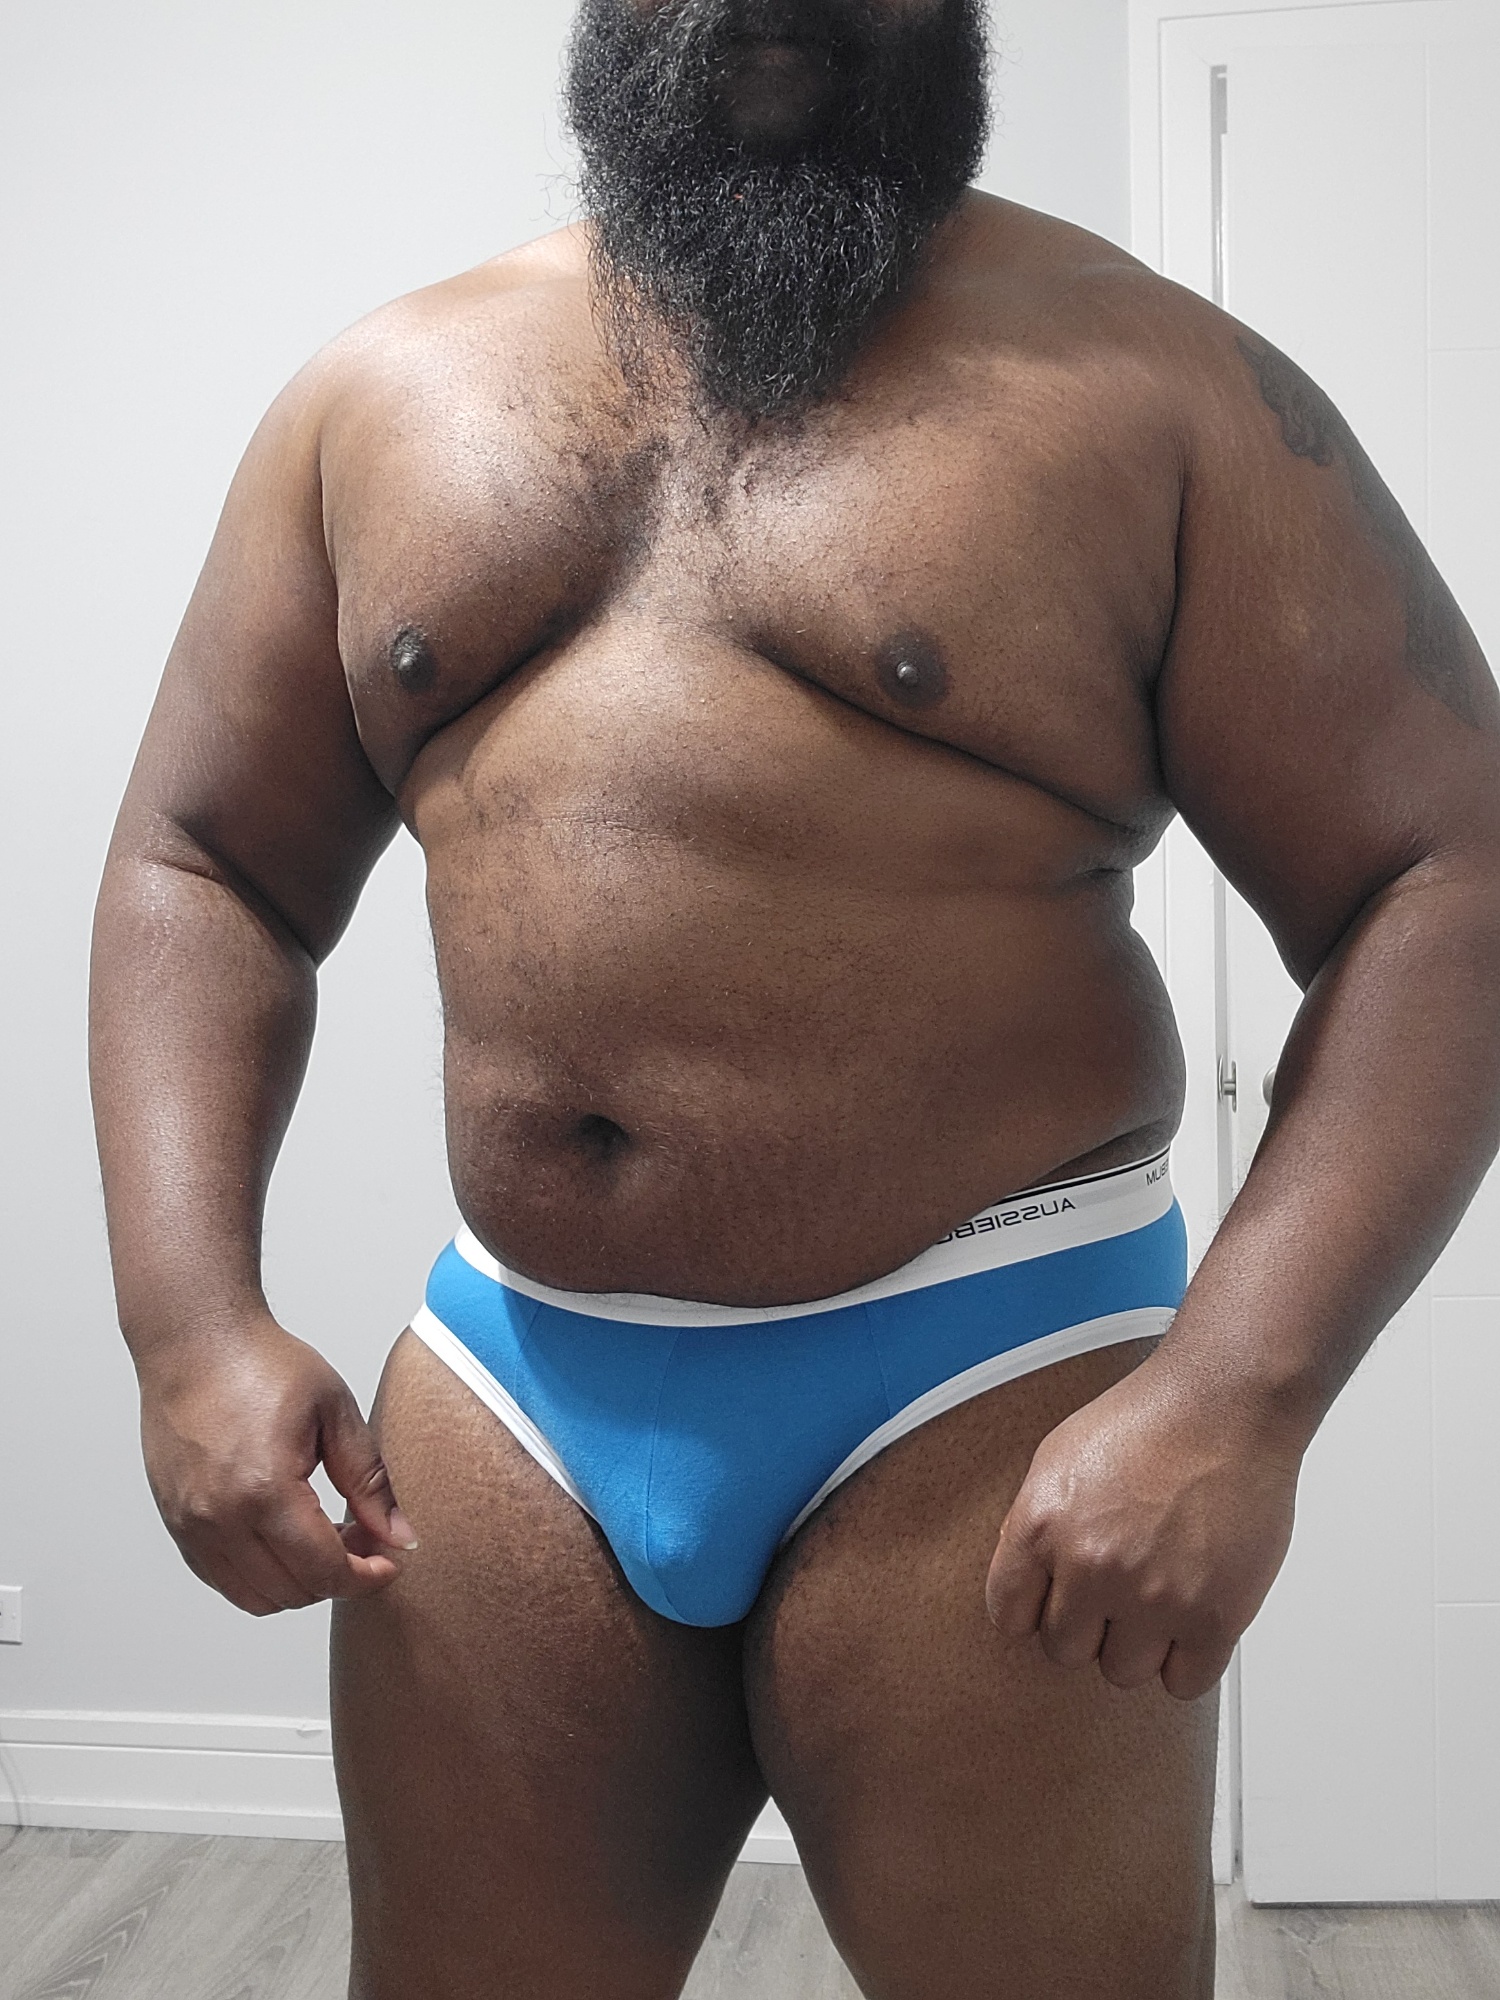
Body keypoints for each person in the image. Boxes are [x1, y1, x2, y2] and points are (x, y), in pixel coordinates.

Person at [89, 2, 1500, 1994]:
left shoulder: (1155, 390)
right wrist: (187, 1326)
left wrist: (1239, 1396)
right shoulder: (382, 393)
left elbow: (1449, 876)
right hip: (517, 1385)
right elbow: (204, 863)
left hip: (989, 1369)